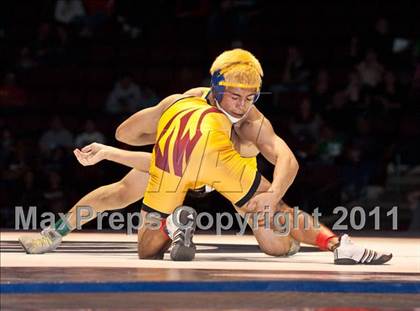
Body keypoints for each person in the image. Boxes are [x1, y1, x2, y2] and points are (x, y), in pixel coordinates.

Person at [19, 49, 392, 265]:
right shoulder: (182, 103)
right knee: (118, 195)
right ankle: (57, 232)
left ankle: (321, 242)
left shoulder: (247, 121)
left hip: (223, 172)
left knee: (276, 241)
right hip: (186, 167)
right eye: (236, 97)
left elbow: (287, 161)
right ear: (216, 88)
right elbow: (128, 134)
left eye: (251, 98)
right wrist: (161, 130)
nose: (243, 105)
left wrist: (273, 195)